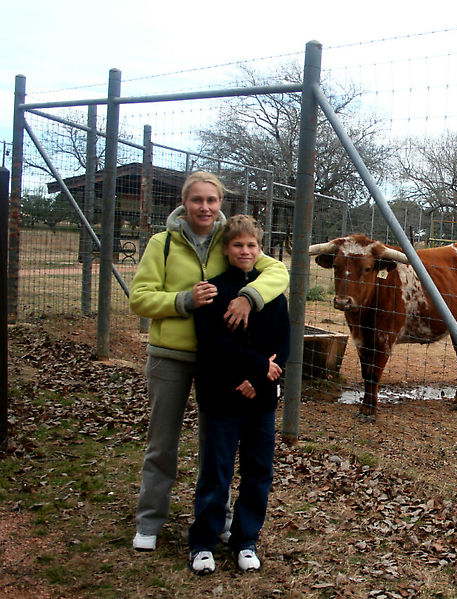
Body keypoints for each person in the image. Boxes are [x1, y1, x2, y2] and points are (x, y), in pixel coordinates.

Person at [129, 172, 288, 553]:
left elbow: (277, 272)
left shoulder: (228, 240)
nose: (204, 207)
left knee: (214, 447)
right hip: (171, 356)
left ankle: (217, 520)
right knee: (162, 445)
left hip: (219, 365)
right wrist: (184, 300)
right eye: (197, 200)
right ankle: (150, 521)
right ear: (184, 203)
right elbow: (140, 298)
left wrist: (248, 297)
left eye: (211, 200)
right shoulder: (161, 244)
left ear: (220, 204)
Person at [188, 215, 289, 575]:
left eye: (252, 245)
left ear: (260, 249)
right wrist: (254, 368)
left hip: (260, 399)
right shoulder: (213, 291)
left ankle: (246, 539)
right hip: (221, 395)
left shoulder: (273, 295)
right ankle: (203, 541)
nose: (245, 251)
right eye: (237, 245)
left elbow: (283, 345)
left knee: (258, 469)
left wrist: (259, 379)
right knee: (216, 470)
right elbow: (212, 345)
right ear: (226, 250)